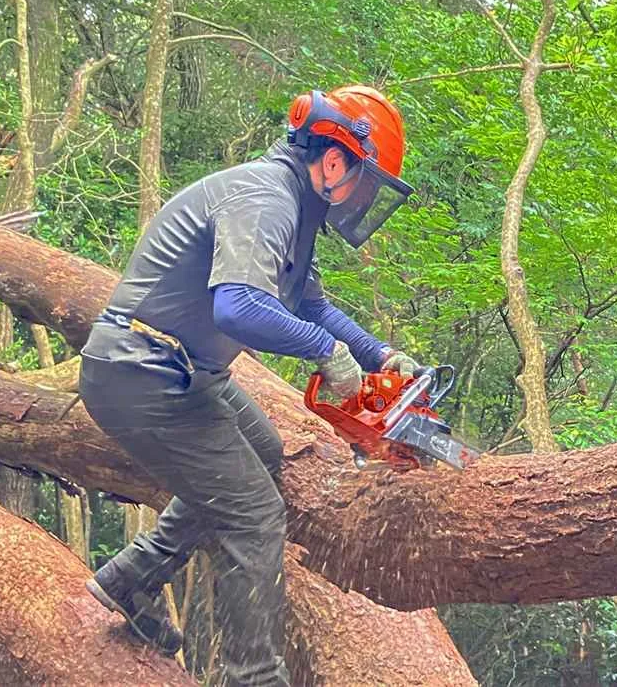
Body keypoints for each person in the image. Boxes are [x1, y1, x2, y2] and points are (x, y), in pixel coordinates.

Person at [78, 85, 419, 686]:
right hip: (143, 368)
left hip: (180, 371)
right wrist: (325, 353)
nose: (364, 199)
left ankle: (131, 577)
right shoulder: (265, 198)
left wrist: (381, 355)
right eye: (366, 184)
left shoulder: (293, 208)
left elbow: (312, 306)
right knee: (256, 516)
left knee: (264, 450)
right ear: (335, 160)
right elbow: (238, 307)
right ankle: (252, 676)